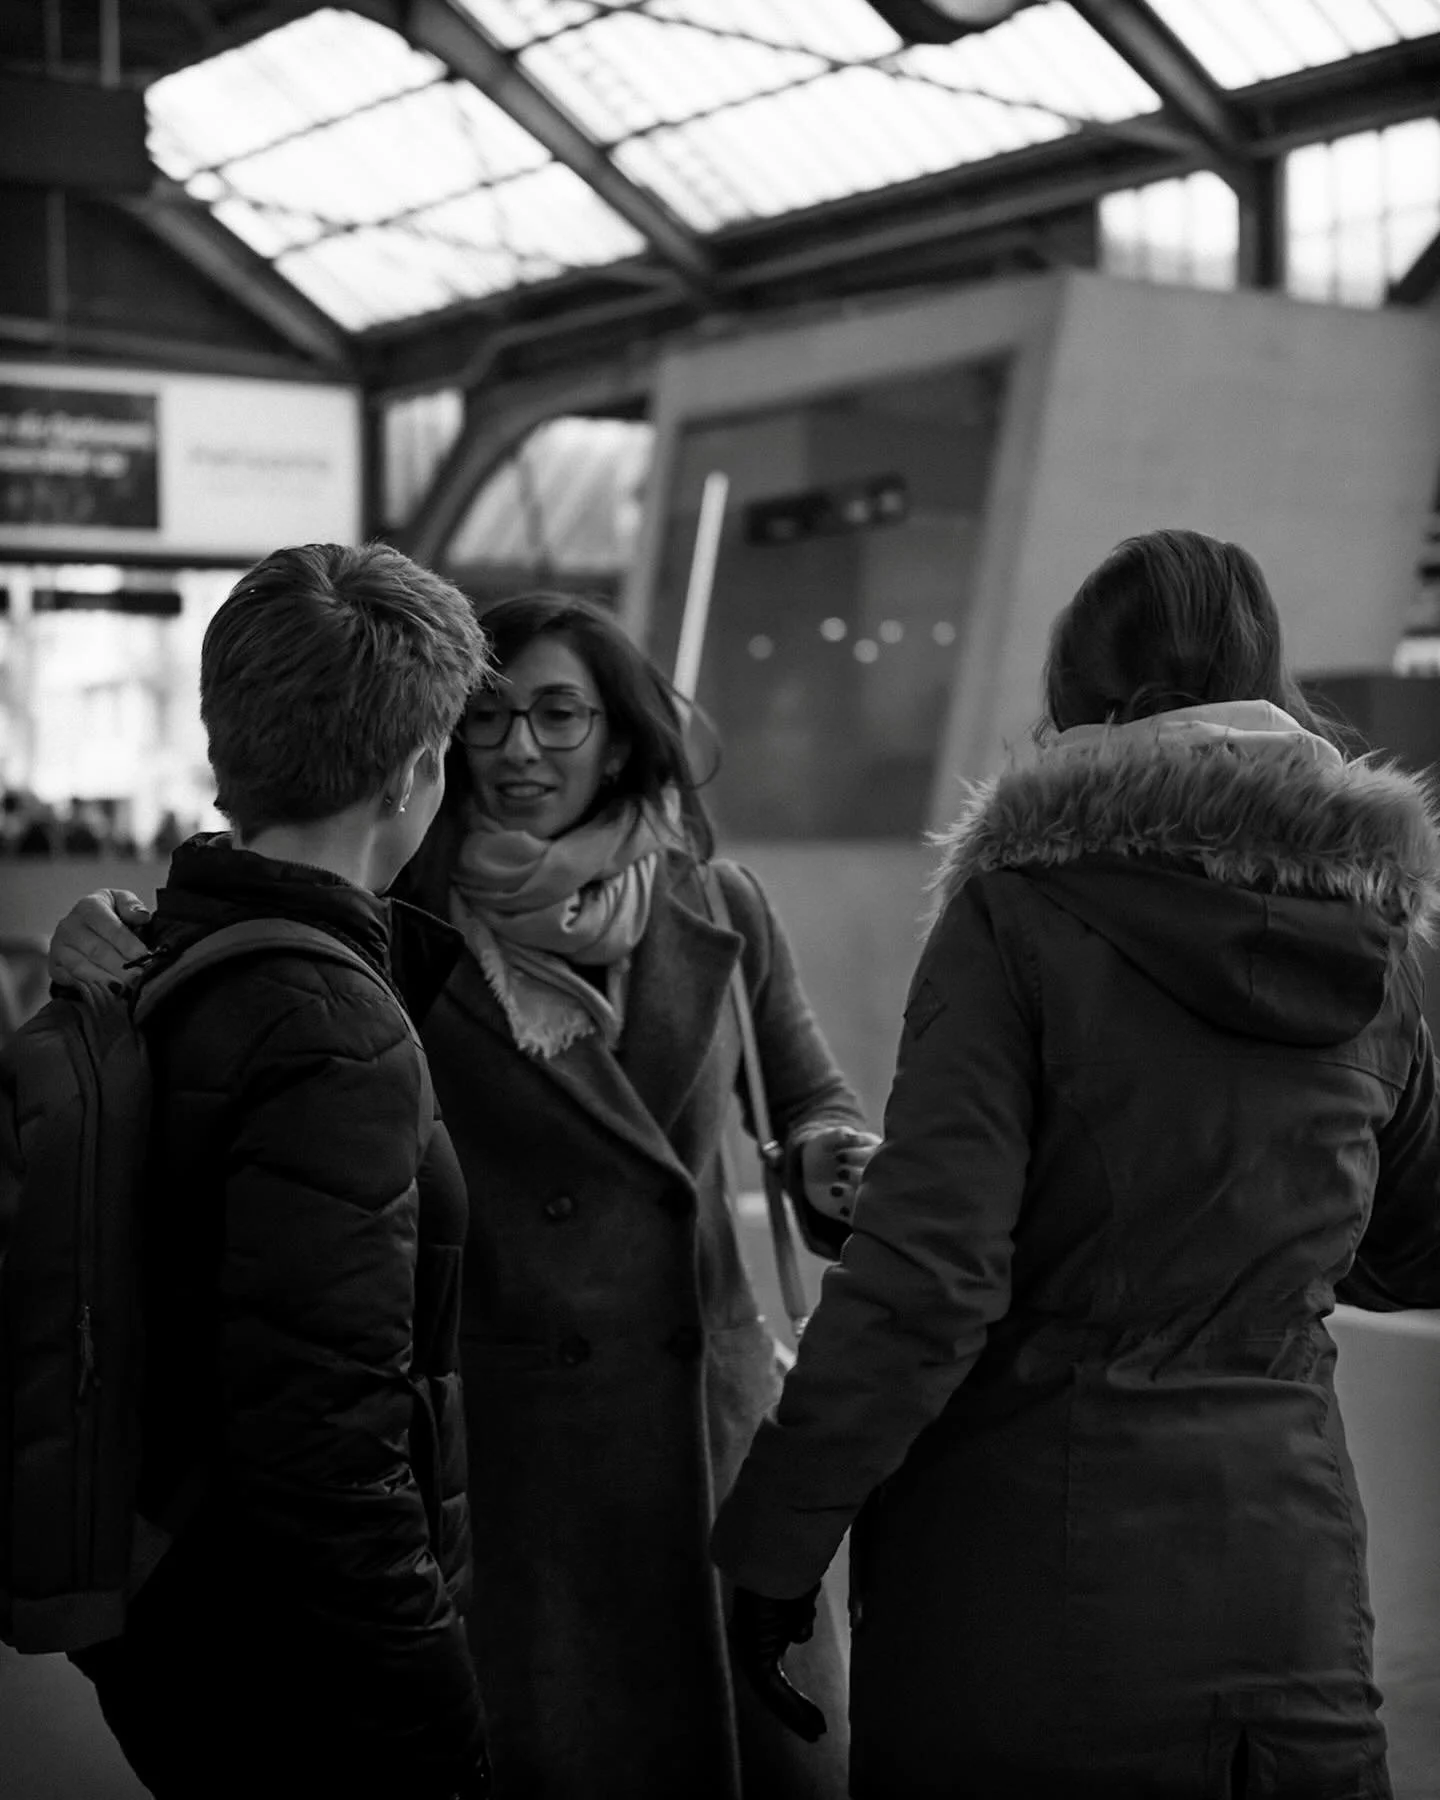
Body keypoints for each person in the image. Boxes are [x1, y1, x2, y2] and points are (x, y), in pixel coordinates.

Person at [50, 591, 878, 1800]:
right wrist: (108, 937)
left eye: (559, 713)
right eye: (489, 717)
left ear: (619, 735)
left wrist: (825, 1154)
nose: (519, 746)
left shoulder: (719, 904)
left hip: (707, 1435)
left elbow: (805, 1093)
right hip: (513, 1454)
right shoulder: (396, 917)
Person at [711, 528, 1440, 1800]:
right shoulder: (1378, 943)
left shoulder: (1020, 915)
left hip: (1024, 1588)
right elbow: (1414, 1245)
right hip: (1286, 1586)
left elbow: (930, 1284)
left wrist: (775, 1541)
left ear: (1072, 706)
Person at [64, 543, 492, 1800]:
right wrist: (437, 1725)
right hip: (288, 1663)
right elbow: (327, 1449)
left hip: (168, 1604)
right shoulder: (330, 1028)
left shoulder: (151, 956)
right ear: (413, 772)